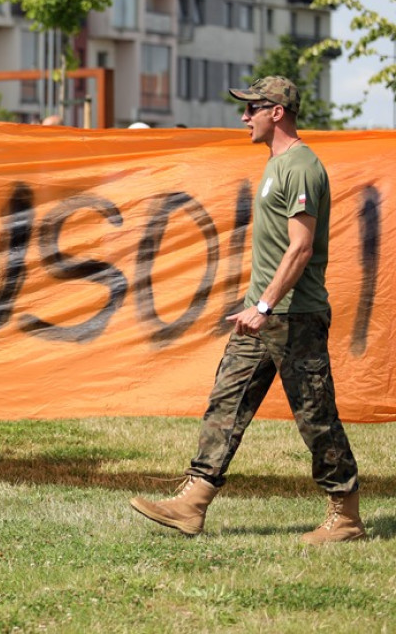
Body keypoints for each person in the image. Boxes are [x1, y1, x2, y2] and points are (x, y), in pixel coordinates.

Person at [129, 76, 365, 545]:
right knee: (227, 402)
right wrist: (256, 307)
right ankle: (193, 503)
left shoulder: (301, 167)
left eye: (252, 108)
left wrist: (263, 304)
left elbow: (299, 250)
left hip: (294, 315)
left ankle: (346, 515)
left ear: (277, 112)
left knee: (315, 416)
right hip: (263, 316)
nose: (244, 116)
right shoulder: (276, 166)